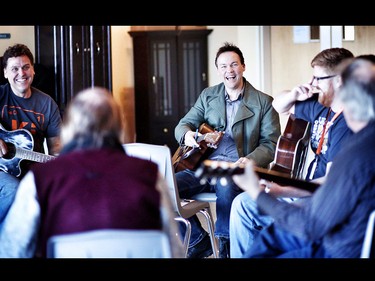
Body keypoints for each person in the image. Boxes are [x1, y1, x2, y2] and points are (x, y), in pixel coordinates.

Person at [0, 87, 184, 258]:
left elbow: (12, 249)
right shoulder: (149, 175)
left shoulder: (40, 179)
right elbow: (171, 249)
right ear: (119, 129)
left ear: (69, 130)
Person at [231, 57, 375, 258]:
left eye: (318, 78)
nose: (313, 83)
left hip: (335, 246)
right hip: (331, 224)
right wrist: (294, 93)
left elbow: (311, 226)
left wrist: (259, 192)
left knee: (248, 208)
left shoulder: (354, 152)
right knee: (270, 236)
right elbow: (279, 105)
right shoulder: (325, 112)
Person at [174, 42, 281, 258]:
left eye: (233, 65)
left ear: (243, 66)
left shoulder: (264, 102)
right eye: (223, 66)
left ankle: (226, 247)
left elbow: (270, 144)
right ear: (218, 70)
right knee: (162, 188)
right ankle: (198, 240)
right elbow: (183, 125)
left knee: (226, 182)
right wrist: (189, 136)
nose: (229, 71)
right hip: (203, 167)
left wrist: (249, 160)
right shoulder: (208, 95)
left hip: (236, 169)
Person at [0, 44, 61, 229]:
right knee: (13, 190)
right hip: (2, 171)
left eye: (26, 67)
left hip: (31, 170)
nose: (21, 73)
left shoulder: (47, 104)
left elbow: (56, 150)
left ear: (33, 70)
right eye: (15, 69)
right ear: (5, 73)